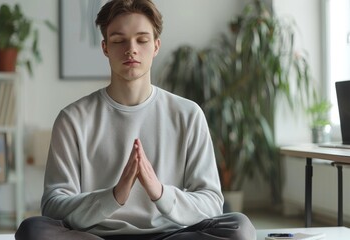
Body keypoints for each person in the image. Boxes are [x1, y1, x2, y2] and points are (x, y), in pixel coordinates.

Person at [15, 0, 256, 239]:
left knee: (239, 228)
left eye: (142, 40)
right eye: (119, 40)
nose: (131, 49)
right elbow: (53, 206)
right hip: (95, 237)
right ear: (105, 47)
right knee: (33, 230)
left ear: (156, 46)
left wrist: (160, 193)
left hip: (170, 235)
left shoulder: (188, 114)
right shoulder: (73, 119)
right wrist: (114, 196)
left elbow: (211, 202)